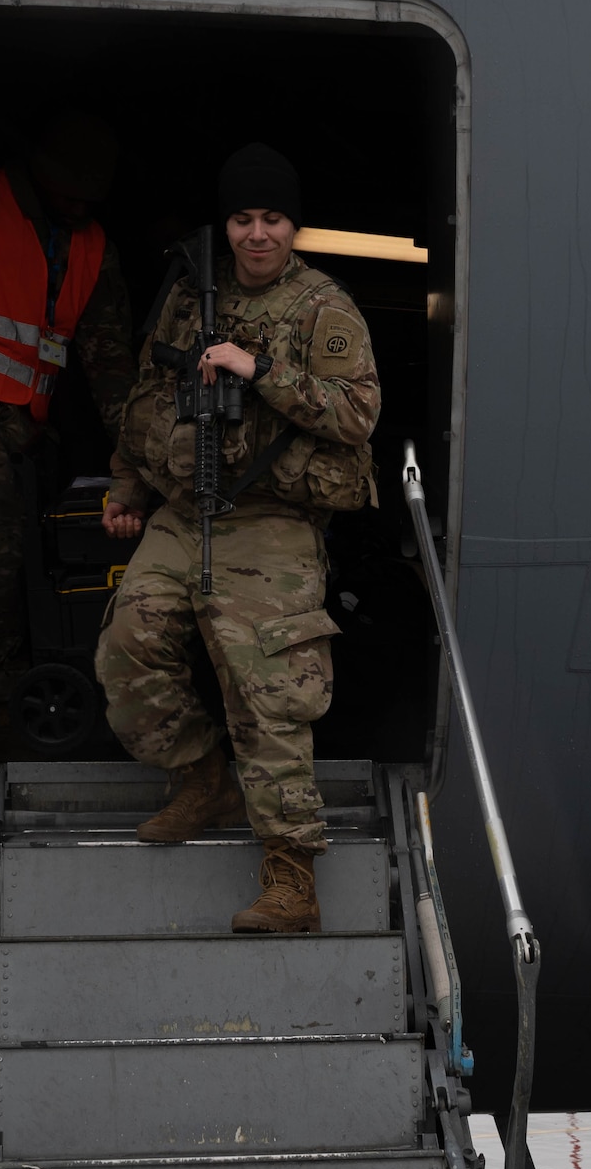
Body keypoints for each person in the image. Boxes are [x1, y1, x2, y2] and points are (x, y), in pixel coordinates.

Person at [94, 143, 381, 933]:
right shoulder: (191, 296)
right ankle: (200, 774)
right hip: (184, 511)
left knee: (268, 681)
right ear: (227, 225)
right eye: (244, 218)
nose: (258, 233)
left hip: (271, 517)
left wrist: (259, 369)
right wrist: (130, 484)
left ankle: (292, 877)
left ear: (295, 226)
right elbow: (152, 396)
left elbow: (358, 414)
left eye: (274, 218)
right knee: (128, 647)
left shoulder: (324, 305)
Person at [0, 111, 137, 729]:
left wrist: (139, 454)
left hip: (20, 434)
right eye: (67, 194)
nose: (77, 207)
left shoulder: (94, 248)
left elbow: (111, 366)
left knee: (18, 558)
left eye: (89, 198)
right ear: (38, 177)